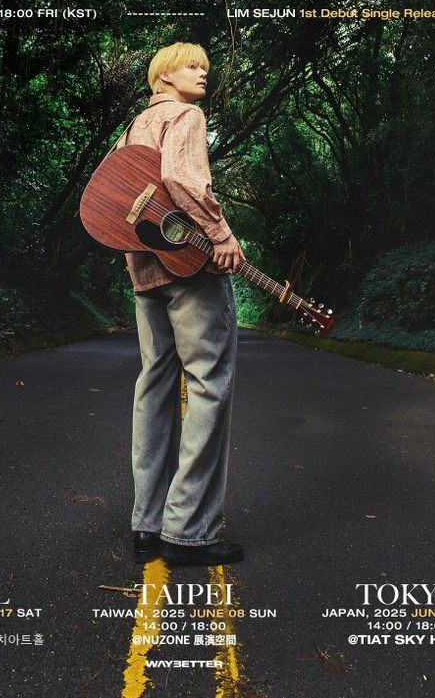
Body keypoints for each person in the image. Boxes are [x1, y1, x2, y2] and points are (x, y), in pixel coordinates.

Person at [115, 42, 245, 567]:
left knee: (155, 383)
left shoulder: (130, 129)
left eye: (206, 69)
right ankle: (188, 531)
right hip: (190, 269)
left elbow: (112, 200)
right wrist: (220, 232)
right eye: (193, 66)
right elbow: (183, 180)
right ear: (164, 75)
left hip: (145, 271)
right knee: (208, 386)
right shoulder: (185, 116)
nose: (202, 75)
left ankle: (146, 524)